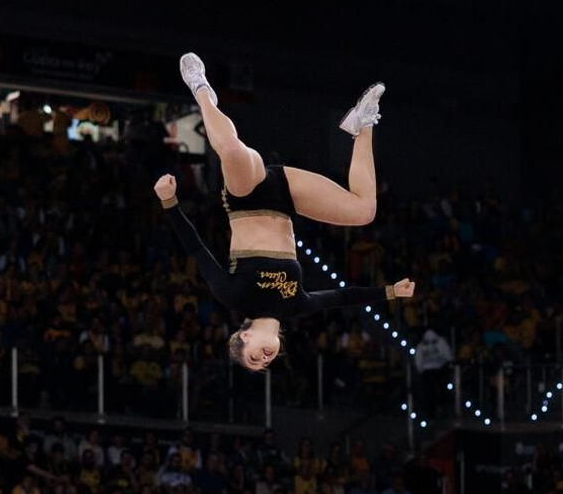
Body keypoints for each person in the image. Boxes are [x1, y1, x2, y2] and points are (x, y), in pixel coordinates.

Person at [155, 54, 413, 373]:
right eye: (265, 363)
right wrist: (390, 292)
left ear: (245, 335)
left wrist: (169, 202)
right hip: (287, 197)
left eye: (253, 357)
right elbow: (341, 296)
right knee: (364, 211)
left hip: (247, 196)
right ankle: (362, 124)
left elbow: (196, 249)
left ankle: (200, 89)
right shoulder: (295, 305)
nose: (264, 358)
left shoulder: (233, 296)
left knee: (232, 150)